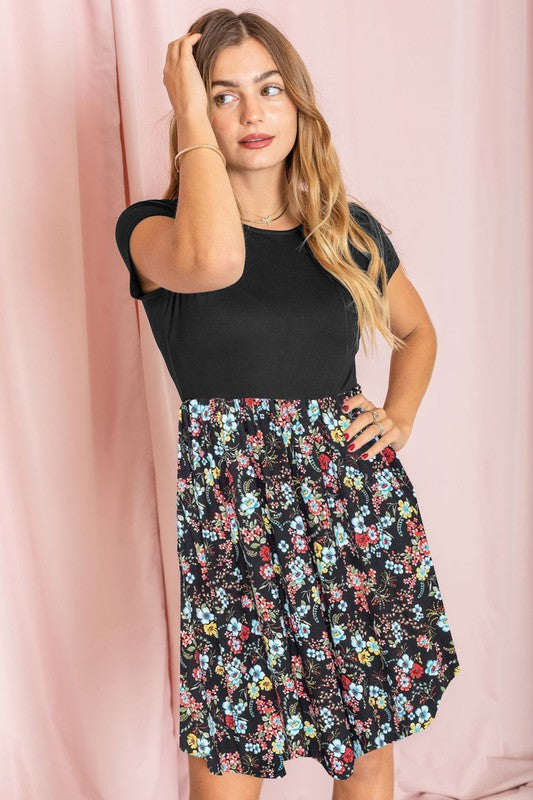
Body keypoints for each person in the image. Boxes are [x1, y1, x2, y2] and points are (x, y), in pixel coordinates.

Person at [114, 10, 461, 800]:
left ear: (298, 102)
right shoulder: (152, 231)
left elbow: (417, 334)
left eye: (269, 89)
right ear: (195, 112)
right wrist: (190, 116)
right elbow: (217, 259)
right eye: (223, 95)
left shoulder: (346, 232)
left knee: (365, 746)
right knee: (231, 752)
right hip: (233, 528)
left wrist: (397, 416)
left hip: (352, 508)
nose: (254, 112)